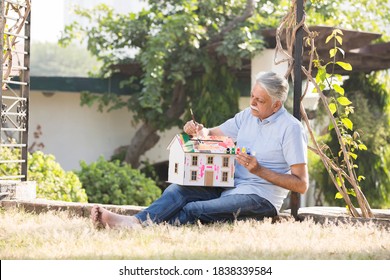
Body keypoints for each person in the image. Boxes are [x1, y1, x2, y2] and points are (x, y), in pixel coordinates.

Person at [91, 71, 309, 229]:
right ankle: (135, 222)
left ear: (277, 105)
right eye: (252, 96)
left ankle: (143, 228)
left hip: (261, 198)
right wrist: (198, 130)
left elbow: (301, 184)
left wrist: (259, 170)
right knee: (178, 190)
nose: (252, 102)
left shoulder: (290, 129)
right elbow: (211, 134)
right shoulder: (247, 116)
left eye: (259, 100)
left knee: (195, 209)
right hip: (229, 185)